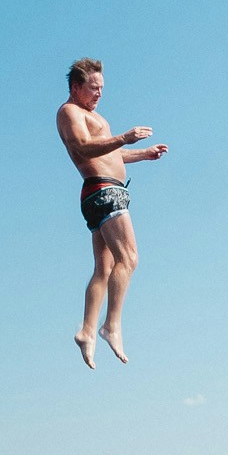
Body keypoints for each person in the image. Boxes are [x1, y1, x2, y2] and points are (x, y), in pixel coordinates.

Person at [57, 57, 166, 366]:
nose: (99, 94)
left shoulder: (92, 115)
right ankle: (111, 325)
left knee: (104, 269)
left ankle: (87, 331)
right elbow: (82, 147)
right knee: (129, 258)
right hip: (104, 192)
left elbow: (111, 154)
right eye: (93, 88)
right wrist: (124, 136)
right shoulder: (70, 112)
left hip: (101, 192)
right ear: (76, 87)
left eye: (102, 88)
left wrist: (142, 153)